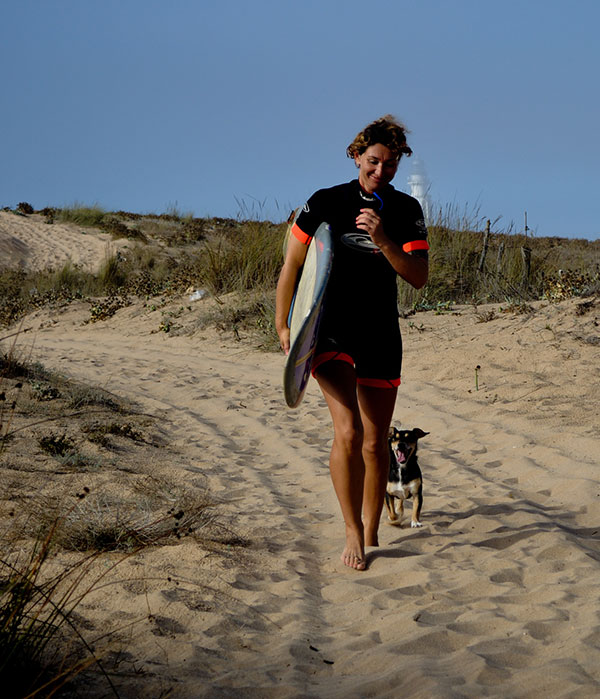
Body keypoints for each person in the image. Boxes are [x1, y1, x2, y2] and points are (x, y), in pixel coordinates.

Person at [276, 115, 429, 571]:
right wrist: (285, 326)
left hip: (381, 333)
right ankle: (351, 530)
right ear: (357, 156)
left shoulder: (405, 212)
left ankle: (372, 525)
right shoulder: (324, 202)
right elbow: (293, 266)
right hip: (331, 332)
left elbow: (418, 278)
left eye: (390, 163)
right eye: (373, 161)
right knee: (349, 431)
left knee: (376, 442)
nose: (381, 171)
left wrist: (383, 239)